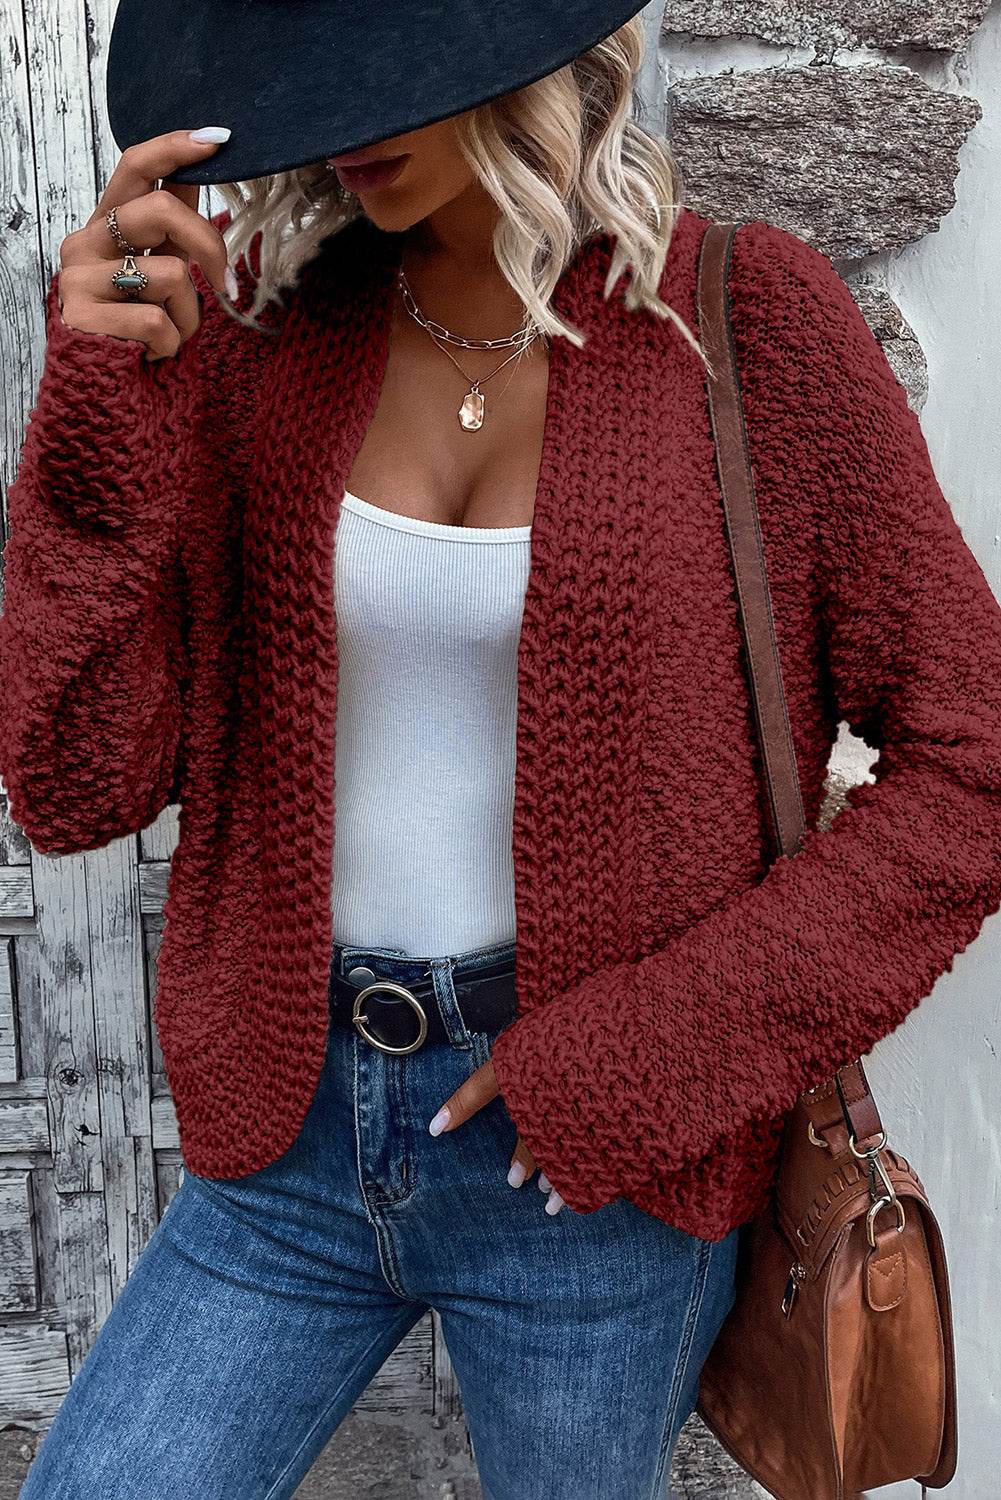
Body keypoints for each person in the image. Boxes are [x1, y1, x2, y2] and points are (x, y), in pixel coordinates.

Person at [4, 4, 1001, 1498]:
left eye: (382, 70)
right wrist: (104, 403)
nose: (343, 126)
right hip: (288, 1136)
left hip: (595, 1176)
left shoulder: (746, 318)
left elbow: (973, 761)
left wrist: (648, 1057)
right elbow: (78, 783)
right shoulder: (264, 335)